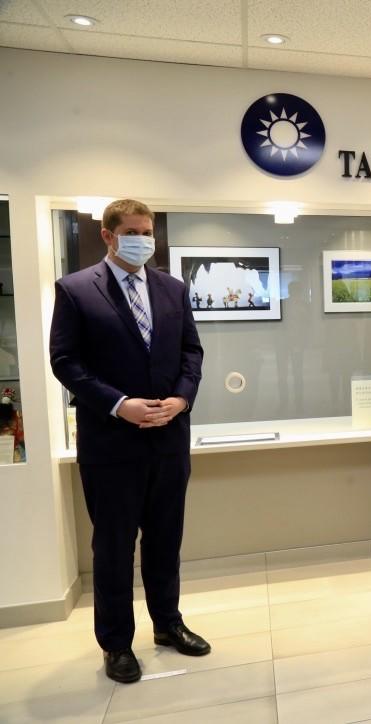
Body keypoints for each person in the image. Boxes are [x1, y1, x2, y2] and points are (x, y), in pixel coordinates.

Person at [49, 199, 208, 684]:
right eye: (133, 231)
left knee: (165, 540)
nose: (143, 239)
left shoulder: (172, 289)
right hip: (111, 444)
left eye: (148, 231)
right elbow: (65, 362)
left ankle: (167, 624)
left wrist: (180, 401)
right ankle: (116, 644)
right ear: (108, 234)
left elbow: (191, 352)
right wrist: (120, 404)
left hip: (168, 439)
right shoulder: (76, 290)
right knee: (114, 547)